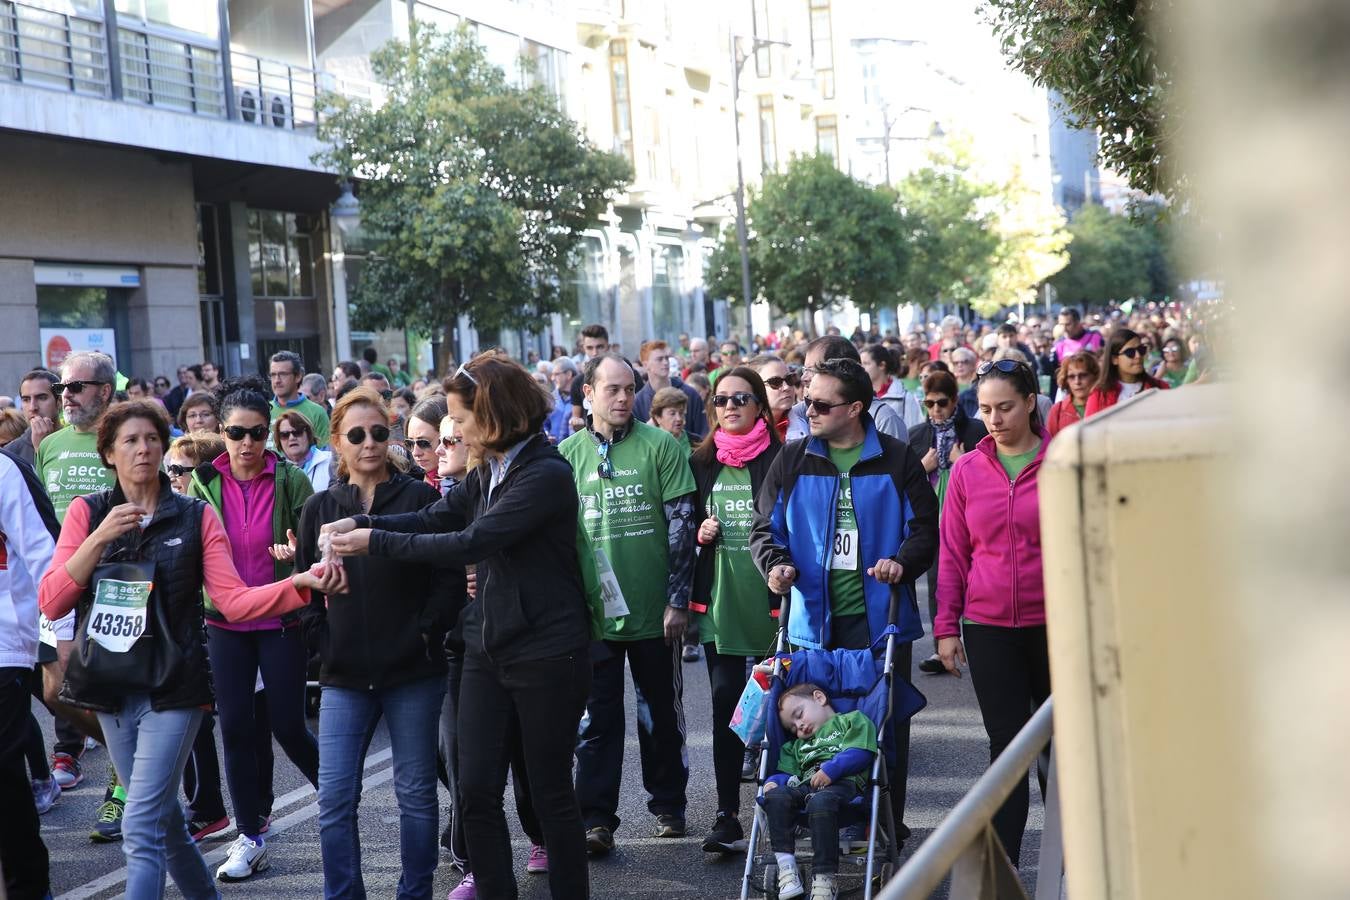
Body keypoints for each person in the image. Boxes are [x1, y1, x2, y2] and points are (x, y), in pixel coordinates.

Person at [38, 399, 341, 898]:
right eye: (130, 441)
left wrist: (302, 582)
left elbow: (233, 601)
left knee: (140, 823)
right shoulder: (86, 512)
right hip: (113, 685)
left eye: (152, 439)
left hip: (176, 687)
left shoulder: (196, 516)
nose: (144, 449)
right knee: (165, 821)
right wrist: (99, 538)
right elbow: (53, 600)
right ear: (109, 454)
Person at [324, 354, 593, 900]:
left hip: (547, 652)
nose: (455, 430)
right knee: (473, 793)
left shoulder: (544, 473)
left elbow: (470, 542)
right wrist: (362, 520)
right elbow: (433, 518)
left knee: (550, 795)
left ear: (492, 415)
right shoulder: (488, 470)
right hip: (487, 649)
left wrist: (372, 541)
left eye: (461, 418)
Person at [750, 357, 938, 844]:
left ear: (855, 408)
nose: (807, 409)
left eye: (820, 403)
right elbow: (764, 529)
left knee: (881, 725)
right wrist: (775, 565)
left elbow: (924, 530)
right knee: (807, 724)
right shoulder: (792, 459)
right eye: (807, 400)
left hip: (880, 620)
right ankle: (816, 819)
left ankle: (884, 824)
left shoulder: (897, 458)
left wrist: (901, 562)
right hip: (810, 619)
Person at [290, 387, 451, 899]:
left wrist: (426, 632)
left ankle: (415, 893)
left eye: (379, 433)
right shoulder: (319, 508)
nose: (369, 444)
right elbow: (304, 590)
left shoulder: (420, 499)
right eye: (356, 435)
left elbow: (445, 581)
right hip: (343, 676)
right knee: (335, 799)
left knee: (416, 797)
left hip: (414, 672)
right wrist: (323, 642)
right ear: (337, 441)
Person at [560, 353, 696, 855]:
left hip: (654, 613)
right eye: (611, 389)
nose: (622, 398)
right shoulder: (566, 454)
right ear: (588, 395)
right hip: (592, 618)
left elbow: (682, 527)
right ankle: (595, 819)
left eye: (628, 389)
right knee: (596, 722)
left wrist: (677, 600)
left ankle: (669, 804)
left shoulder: (661, 446)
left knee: (659, 711)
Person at [187, 382, 318, 881]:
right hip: (224, 623)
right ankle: (250, 835)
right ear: (221, 432)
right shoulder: (202, 483)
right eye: (236, 432)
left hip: (281, 619)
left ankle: (337, 801)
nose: (247, 443)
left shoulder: (290, 480)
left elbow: (319, 548)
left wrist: (296, 554)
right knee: (238, 727)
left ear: (270, 431)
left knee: (287, 725)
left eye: (258, 432)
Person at [934, 358, 1051, 867]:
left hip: (1055, 624)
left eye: (1005, 407)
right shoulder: (965, 470)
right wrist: (945, 628)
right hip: (988, 627)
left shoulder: (1063, 462)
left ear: (1030, 402)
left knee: (1061, 747)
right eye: (984, 409)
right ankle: (1003, 864)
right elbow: (953, 555)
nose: (995, 419)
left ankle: (1078, 856)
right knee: (1006, 747)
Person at [688, 367, 782, 855]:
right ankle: (726, 816)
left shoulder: (781, 458)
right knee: (726, 706)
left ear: (760, 406)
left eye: (741, 398)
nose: (730, 406)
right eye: (721, 399)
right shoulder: (701, 461)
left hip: (771, 605)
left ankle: (784, 811)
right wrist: (697, 532)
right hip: (719, 604)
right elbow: (680, 528)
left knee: (780, 711)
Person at [35, 351, 124, 839]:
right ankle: (125, 757)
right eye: (62, 387)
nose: (65, 396)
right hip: (61, 579)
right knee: (56, 691)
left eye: (75, 387)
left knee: (105, 688)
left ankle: (125, 785)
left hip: (113, 580)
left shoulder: (124, 434)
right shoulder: (50, 445)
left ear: (105, 391)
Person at [0, 445, 59, 900]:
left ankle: (28, 886)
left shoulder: (6, 472)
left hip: (4, 647)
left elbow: (44, 557)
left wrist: (58, 639)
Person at [763, 682, 880, 900]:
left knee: (821, 801)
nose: (799, 726)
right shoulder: (796, 747)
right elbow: (785, 774)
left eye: (799, 715)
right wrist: (773, 782)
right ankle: (787, 869)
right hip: (806, 786)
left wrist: (832, 769)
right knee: (775, 796)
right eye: (792, 728)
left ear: (819, 698)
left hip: (844, 785)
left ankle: (824, 877)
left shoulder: (851, 720)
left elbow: (861, 751)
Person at [908, 371, 987, 676]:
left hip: (971, 515)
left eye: (942, 402)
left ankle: (980, 639)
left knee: (975, 577)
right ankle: (942, 647)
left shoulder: (977, 431)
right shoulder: (917, 435)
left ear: (955, 400)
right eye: (929, 403)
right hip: (933, 518)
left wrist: (961, 463)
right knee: (939, 579)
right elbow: (902, 483)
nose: (936, 409)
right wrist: (921, 467)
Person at [784, 337, 907, 441]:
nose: (804, 377)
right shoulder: (798, 414)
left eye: (812, 370)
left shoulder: (884, 418)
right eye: (805, 369)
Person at [1084, 328, 1169, 417]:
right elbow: (1091, 429)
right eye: (1130, 352)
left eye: (1141, 350)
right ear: (1114, 359)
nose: (1138, 356)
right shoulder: (1099, 395)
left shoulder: (1160, 387)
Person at [633, 340, 708, 439]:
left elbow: (703, 433)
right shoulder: (638, 402)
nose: (665, 362)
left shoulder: (690, 394)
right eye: (659, 359)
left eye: (667, 358)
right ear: (646, 364)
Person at [269, 351, 331, 448]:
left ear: (298, 376)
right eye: (273, 375)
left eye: (283, 374)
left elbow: (326, 455)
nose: (277, 380)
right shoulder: (264, 411)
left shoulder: (317, 412)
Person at [862, 343, 923, 429]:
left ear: (882, 365)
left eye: (866, 363)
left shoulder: (904, 397)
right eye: (860, 363)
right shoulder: (860, 396)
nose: (862, 367)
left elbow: (915, 432)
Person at [1046, 351, 1101, 438]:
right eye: (1071, 377)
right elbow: (1051, 447)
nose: (1077, 382)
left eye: (1083, 375)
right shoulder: (1057, 411)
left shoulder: (1106, 404)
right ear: (1066, 380)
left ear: (1094, 377)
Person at [273, 411, 332, 492]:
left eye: (297, 432)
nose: (291, 438)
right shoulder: (275, 471)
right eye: (285, 435)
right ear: (279, 440)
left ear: (308, 434)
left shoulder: (331, 461)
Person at [13, 368, 60, 467]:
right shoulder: (12, 453)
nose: (32, 407)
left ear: (59, 402)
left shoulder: (77, 443)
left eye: (41, 398)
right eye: (26, 399)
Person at [747, 355, 799, 441]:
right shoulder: (740, 430)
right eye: (775, 382)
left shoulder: (807, 423)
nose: (786, 387)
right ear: (755, 388)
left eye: (789, 379)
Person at [403, 396, 448, 491]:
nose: (415, 453)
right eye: (410, 443)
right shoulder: (407, 485)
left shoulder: (472, 483)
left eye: (423, 443)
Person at [650, 386, 691, 454]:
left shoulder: (696, 442)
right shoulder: (650, 445)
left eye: (681, 412)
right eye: (672, 413)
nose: (679, 418)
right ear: (658, 417)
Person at [546, 357, 578, 443]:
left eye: (556, 374)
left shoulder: (583, 398)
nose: (552, 378)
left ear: (568, 374)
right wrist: (547, 435)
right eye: (552, 375)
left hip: (575, 451)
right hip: (553, 452)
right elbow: (544, 424)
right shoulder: (550, 399)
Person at [950, 348, 980, 417]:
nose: (959, 365)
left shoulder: (979, 385)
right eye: (956, 363)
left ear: (973, 364)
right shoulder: (949, 384)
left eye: (965, 362)